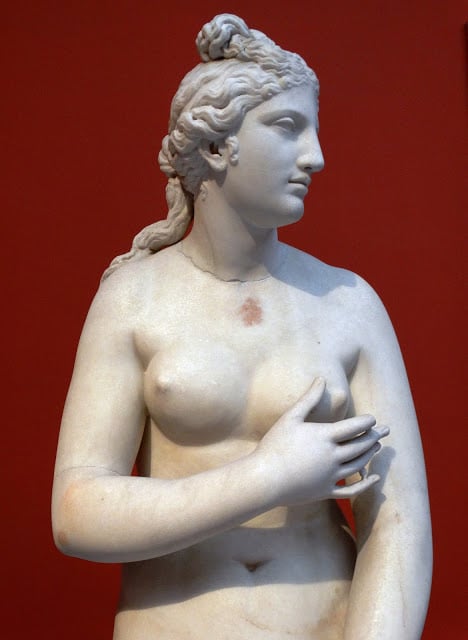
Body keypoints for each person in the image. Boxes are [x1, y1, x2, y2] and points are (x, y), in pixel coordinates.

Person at [52, 13, 432, 640]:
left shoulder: (348, 304)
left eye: (314, 129)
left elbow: (400, 519)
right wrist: (269, 476)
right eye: (287, 127)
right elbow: (77, 513)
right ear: (214, 146)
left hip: (322, 622)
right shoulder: (133, 300)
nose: (316, 156)